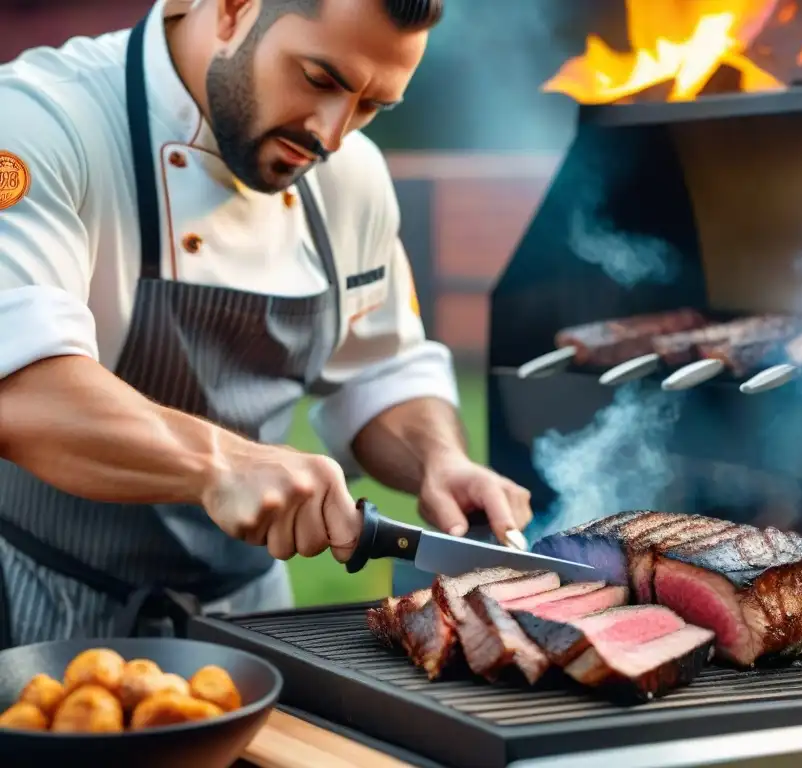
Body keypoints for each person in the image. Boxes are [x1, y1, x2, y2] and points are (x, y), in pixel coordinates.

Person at [0, 0, 533, 647]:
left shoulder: (351, 174)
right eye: (320, 79)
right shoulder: (41, 120)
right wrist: (223, 463)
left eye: (370, 106)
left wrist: (436, 459)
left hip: (251, 621)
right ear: (231, 10)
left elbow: (380, 370)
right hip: (40, 602)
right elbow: (22, 390)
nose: (332, 136)